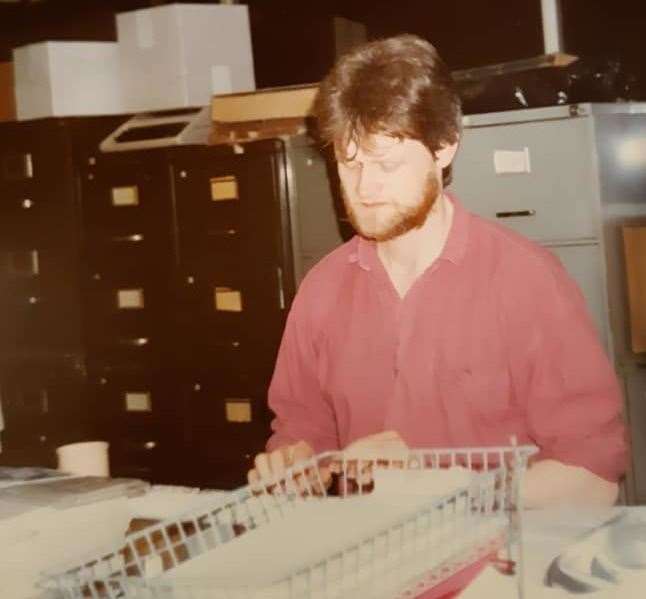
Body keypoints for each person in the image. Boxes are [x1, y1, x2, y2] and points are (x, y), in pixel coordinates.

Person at [248, 34, 627, 507]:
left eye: (385, 163)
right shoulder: (322, 290)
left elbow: (592, 481)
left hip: (500, 565)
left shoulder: (526, 282)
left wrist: (442, 489)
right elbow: (301, 436)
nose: (364, 187)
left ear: (444, 147)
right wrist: (295, 465)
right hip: (368, 561)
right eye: (349, 164)